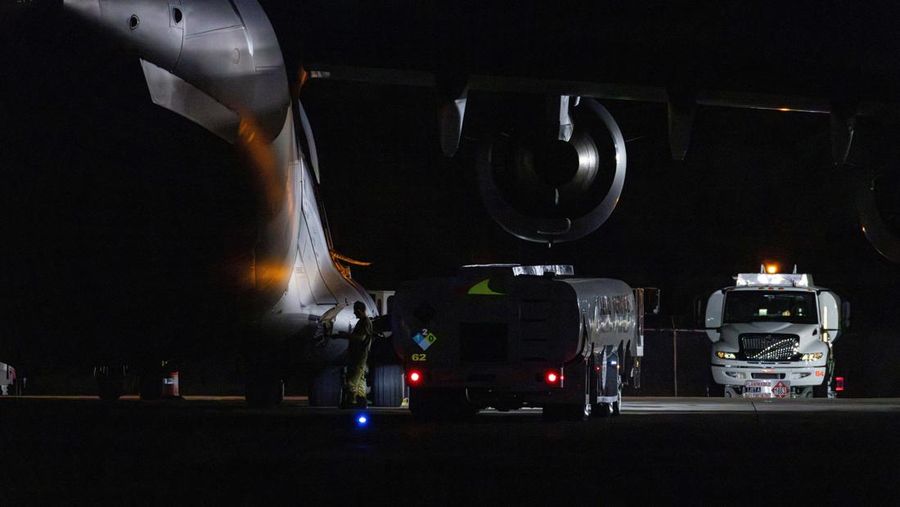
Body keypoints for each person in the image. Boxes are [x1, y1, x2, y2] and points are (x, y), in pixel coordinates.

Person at [342, 301, 374, 408]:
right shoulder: (362, 322)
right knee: (360, 379)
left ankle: (351, 401)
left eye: (355, 311)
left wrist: (347, 335)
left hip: (360, 355)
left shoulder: (365, 322)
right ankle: (361, 400)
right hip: (359, 355)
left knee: (352, 380)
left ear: (359, 311)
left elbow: (361, 338)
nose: (354, 313)